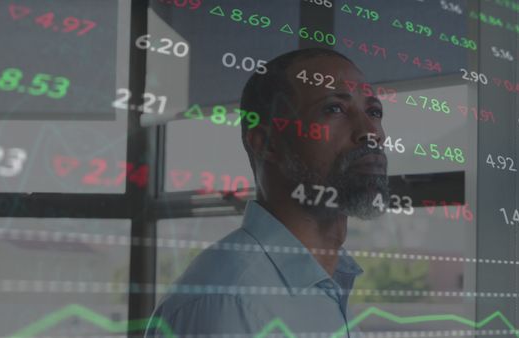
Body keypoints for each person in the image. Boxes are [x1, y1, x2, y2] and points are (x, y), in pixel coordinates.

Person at [146, 48, 389, 338]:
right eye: (334, 108)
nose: (370, 131)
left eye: (374, 112)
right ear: (267, 144)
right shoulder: (228, 302)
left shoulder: (329, 287)